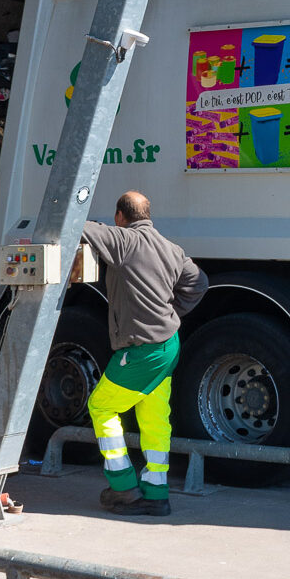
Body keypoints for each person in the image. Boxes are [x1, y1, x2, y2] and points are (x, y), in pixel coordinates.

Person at [80, 190, 207, 517]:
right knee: (154, 418)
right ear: (148, 215)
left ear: (120, 217)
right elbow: (199, 283)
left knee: (101, 406)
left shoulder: (123, 241)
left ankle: (123, 487)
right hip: (168, 346)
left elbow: (79, 226)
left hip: (142, 350)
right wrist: (173, 313)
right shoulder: (172, 249)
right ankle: (156, 492)